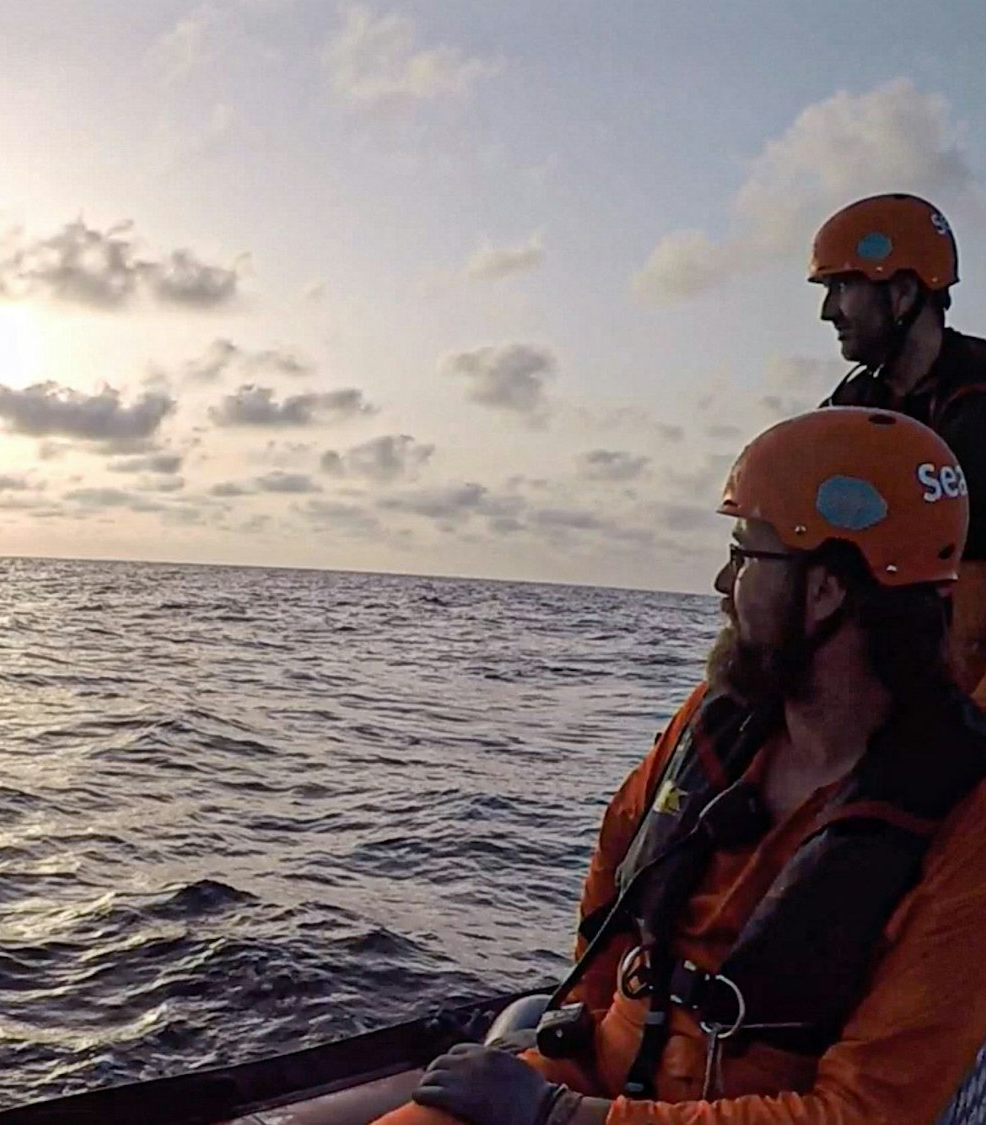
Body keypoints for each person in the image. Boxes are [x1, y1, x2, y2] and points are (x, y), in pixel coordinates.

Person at [368, 408, 986, 1125]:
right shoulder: (718, 721)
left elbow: (864, 1112)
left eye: (747, 553)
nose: (723, 580)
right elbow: (616, 860)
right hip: (603, 1076)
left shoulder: (966, 821)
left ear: (825, 590)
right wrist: (583, 1030)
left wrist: (561, 1115)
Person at [811, 194, 986, 695]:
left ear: (904, 292)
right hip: (892, 674)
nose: (828, 312)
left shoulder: (979, 399)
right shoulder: (850, 406)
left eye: (842, 286)